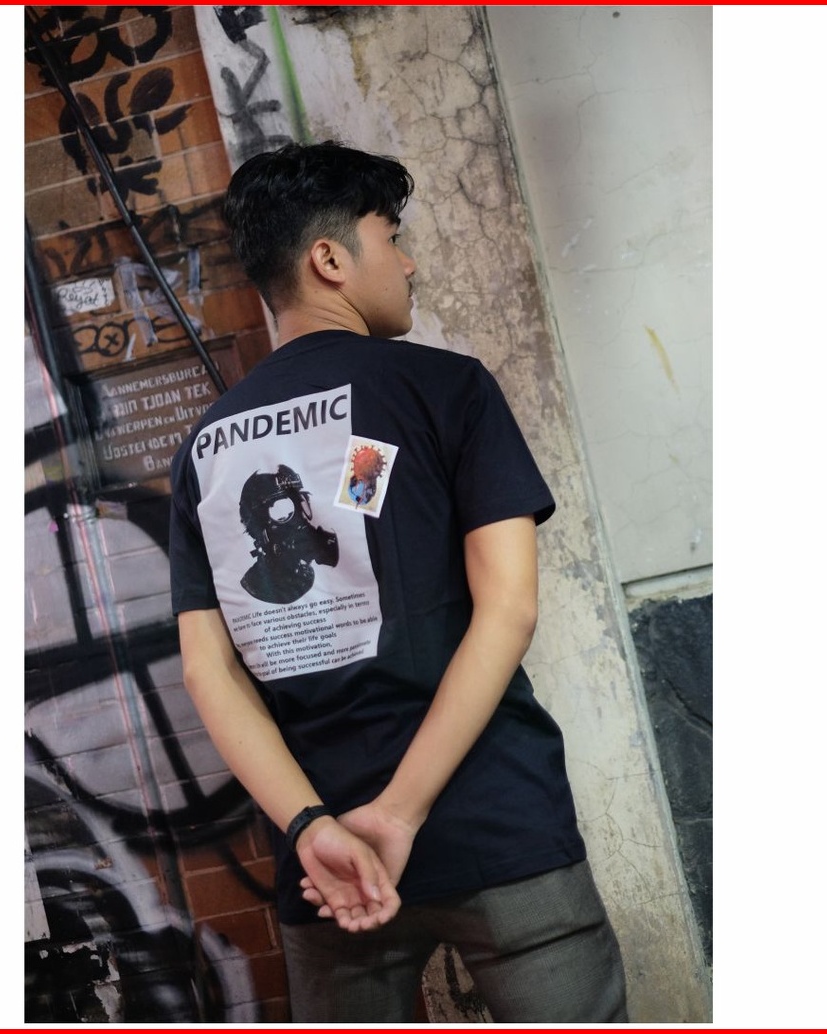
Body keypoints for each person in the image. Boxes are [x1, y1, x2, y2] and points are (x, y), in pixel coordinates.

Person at [168, 141, 628, 1022]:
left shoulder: (206, 449)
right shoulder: (444, 390)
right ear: (330, 258)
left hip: (329, 866)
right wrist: (401, 814)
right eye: (392, 236)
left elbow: (207, 670)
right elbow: (508, 608)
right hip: (493, 825)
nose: (408, 262)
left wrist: (312, 827)